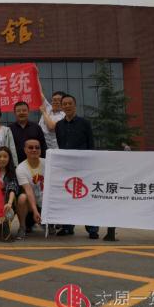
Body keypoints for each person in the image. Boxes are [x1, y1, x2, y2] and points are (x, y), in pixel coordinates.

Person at [55, 94, 99, 239]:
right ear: (61, 107)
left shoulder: (84, 123)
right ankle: (67, 227)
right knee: (68, 197)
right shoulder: (59, 125)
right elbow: (61, 145)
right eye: (64, 104)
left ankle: (92, 229)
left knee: (86, 197)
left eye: (70, 103)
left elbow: (91, 144)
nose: (67, 106)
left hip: (83, 167)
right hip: (66, 168)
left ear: (75, 105)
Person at [14, 139, 46, 239]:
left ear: (40, 150)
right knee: (22, 198)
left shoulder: (48, 163)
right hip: (31, 205)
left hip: (46, 203)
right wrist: (35, 211)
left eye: (37, 147)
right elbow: (28, 191)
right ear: (25, 150)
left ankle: (49, 223)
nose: (34, 150)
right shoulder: (20, 168)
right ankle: (22, 227)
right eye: (30, 147)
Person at [0, 146, 21, 240]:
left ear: (9, 158)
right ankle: (3, 224)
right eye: (0, 156)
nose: (2, 159)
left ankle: (4, 223)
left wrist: (9, 203)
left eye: (5, 156)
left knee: (7, 198)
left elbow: (12, 188)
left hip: (7, 201)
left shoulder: (13, 171)